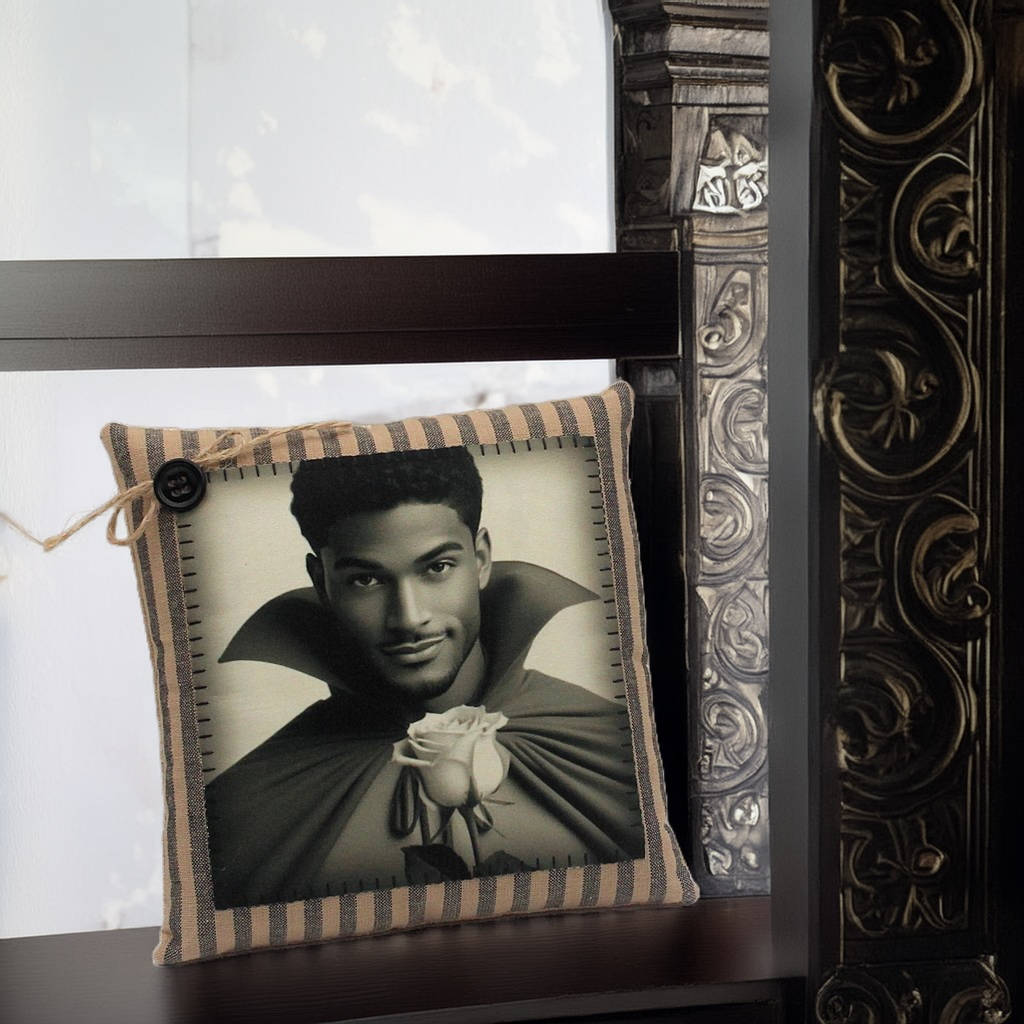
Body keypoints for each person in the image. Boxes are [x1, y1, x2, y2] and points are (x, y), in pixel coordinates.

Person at [204, 447, 644, 908]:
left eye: (437, 567)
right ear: (321, 583)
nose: (409, 619)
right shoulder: (244, 810)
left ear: (482, 559)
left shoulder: (614, 745)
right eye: (366, 580)